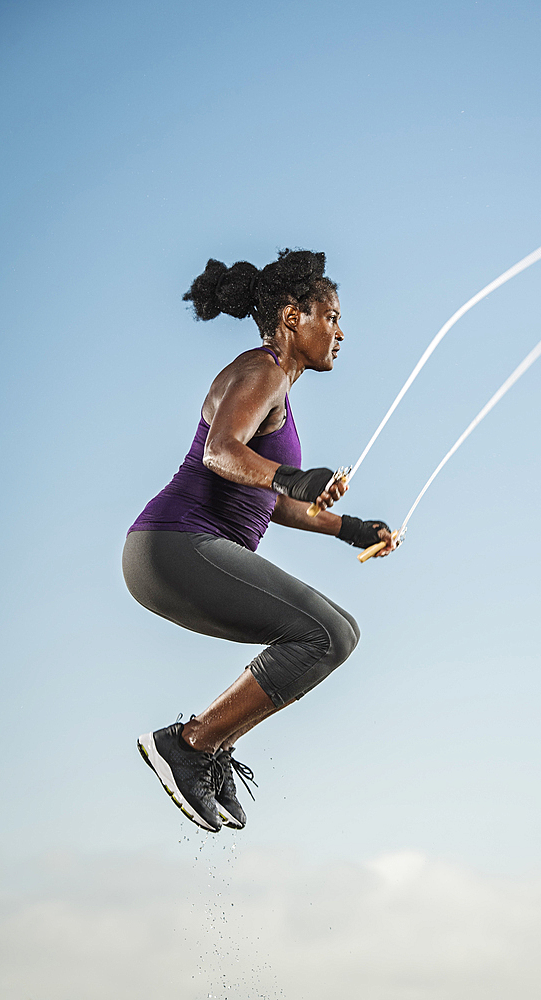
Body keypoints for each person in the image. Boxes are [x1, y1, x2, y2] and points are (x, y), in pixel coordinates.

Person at [123, 249, 395, 834]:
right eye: (332, 316)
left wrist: (352, 529)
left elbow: (270, 501)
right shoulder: (263, 369)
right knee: (328, 633)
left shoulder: (280, 390)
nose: (341, 332)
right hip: (174, 544)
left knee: (333, 634)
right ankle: (191, 744)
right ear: (293, 315)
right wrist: (292, 476)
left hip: (175, 552)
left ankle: (203, 749)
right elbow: (220, 453)